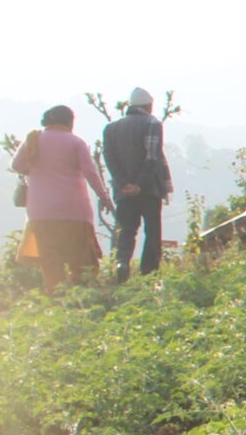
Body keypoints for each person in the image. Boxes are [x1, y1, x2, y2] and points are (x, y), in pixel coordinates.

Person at [12, 105, 112, 293]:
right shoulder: (76, 142)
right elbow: (90, 172)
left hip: (41, 213)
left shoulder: (33, 141)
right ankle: (82, 298)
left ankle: (55, 298)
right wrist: (103, 195)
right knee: (81, 261)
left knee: (50, 262)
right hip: (74, 212)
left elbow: (16, 165)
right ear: (69, 121)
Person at [101, 87, 174, 279]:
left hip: (123, 191)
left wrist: (124, 184)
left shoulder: (111, 128)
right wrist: (139, 185)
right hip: (149, 189)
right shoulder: (152, 124)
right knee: (152, 231)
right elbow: (152, 157)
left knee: (126, 230)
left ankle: (121, 265)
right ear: (148, 106)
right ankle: (148, 274)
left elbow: (109, 159)